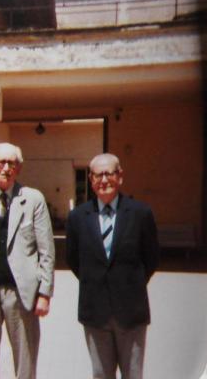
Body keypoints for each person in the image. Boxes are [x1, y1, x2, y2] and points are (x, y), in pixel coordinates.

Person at [0, 142, 55, 379]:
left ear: (19, 167)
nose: (6, 168)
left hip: (21, 293)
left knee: (26, 361)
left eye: (11, 163)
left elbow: (46, 250)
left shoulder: (33, 199)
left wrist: (44, 292)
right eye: (0, 163)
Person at [66, 153, 159, 379]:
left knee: (133, 374)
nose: (104, 180)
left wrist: (127, 283)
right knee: (100, 374)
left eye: (109, 173)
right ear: (91, 179)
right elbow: (73, 259)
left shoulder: (140, 213)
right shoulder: (78, 217)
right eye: (98, 175)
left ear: (120, 177)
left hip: (131, 310)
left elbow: (151, 258)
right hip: (95, 312)